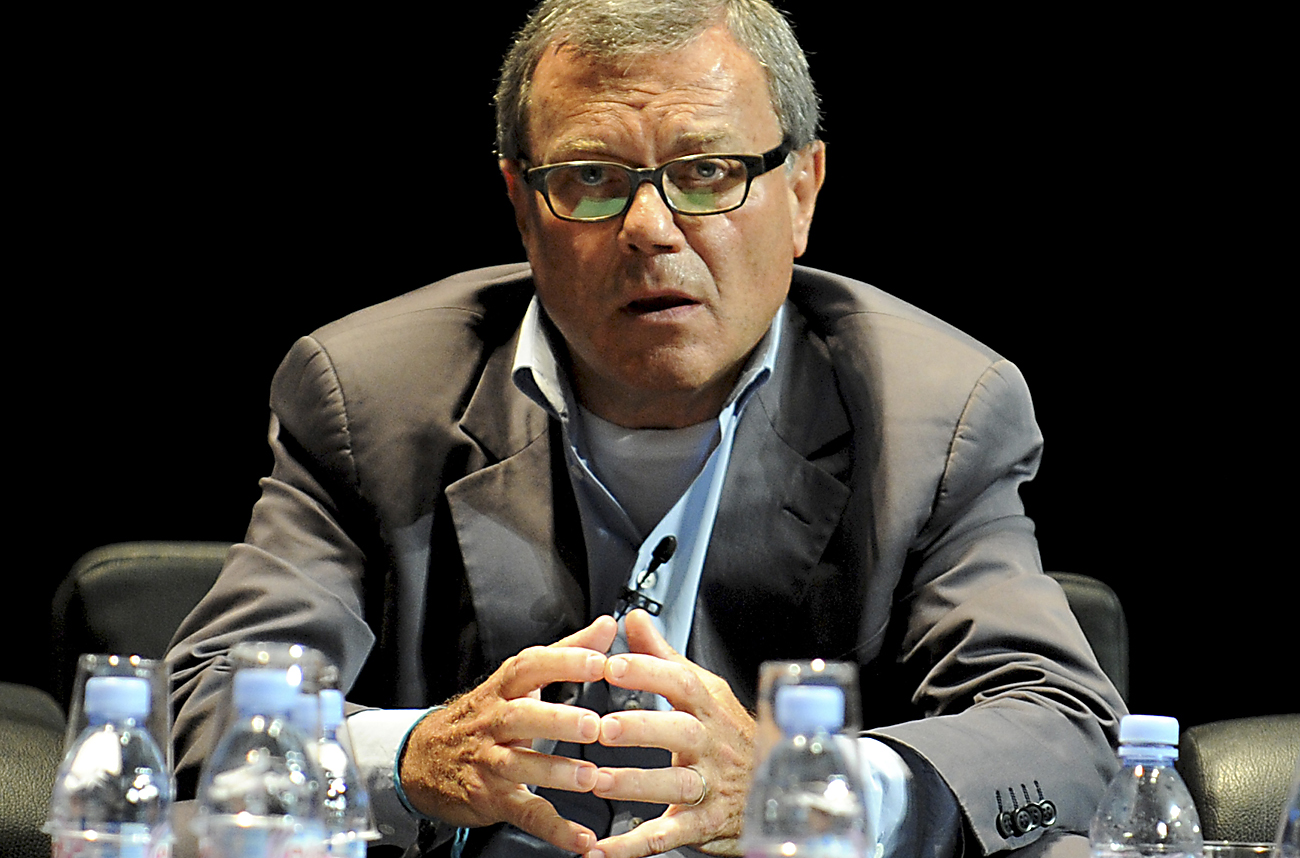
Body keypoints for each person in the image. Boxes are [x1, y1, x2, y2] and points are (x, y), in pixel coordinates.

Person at [166, 1, 1126, 856]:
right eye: (591, 177)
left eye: (706, 171)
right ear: (522, 205)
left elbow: (1060, 726)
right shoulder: (369, 395)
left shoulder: (938, 410)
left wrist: (809, 782)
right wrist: (415, 756)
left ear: (803, 192)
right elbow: (208, 694)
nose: (651, 228)